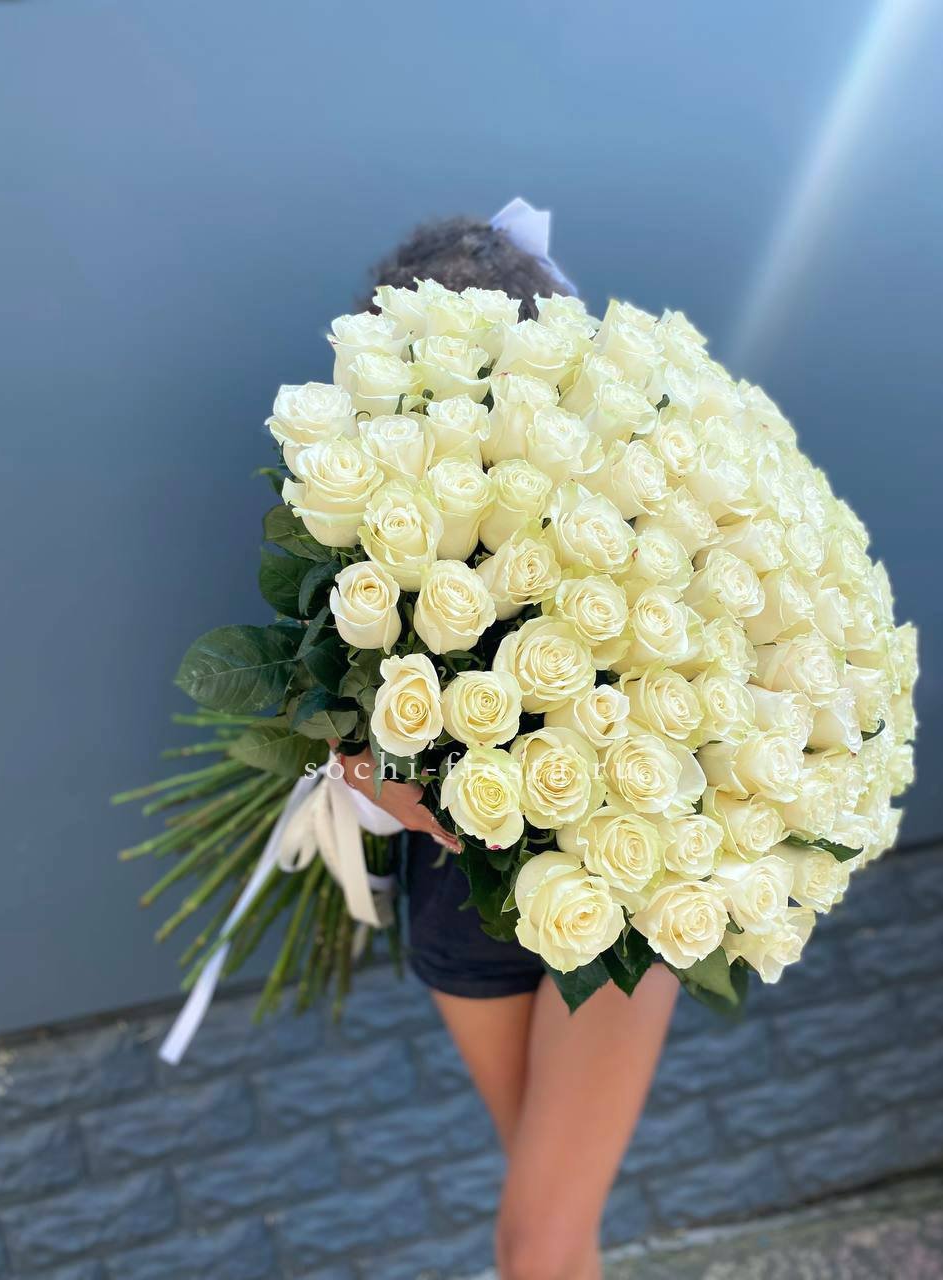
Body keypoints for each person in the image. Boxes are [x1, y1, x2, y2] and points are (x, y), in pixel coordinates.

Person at [339, 214, 679, 1280]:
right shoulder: (371, 520)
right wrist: (383, 778)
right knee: (553, 1231)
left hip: (614, 895)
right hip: (464, 907)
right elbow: (335, 737)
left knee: (536, 1242)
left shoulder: (634, 500)